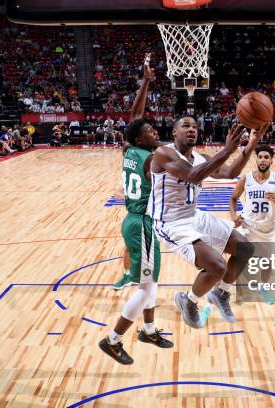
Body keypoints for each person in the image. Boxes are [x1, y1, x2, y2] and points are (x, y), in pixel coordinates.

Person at [149, 114, 267, 329]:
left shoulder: (201, 158)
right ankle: (189, 300)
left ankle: (221, 293)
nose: (192, 129)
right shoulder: (163, 153)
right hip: (170, 223)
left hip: (194, 215)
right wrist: (227, 150)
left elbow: (231, 171)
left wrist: (252, 142)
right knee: (216, 265)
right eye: (185, 126)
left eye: (195, 126)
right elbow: (193, 175)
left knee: (245, 249)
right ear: (174, 132)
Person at [99, 54, 173, 365]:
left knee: (150, 283)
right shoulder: (150, 158)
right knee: (143, 289)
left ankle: (149, 330)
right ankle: (113, 339)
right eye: (151, 131)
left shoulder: (130, 148)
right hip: (141, 224)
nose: (155, 132)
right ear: (141, 138)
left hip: (139, 222)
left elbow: (135, 116)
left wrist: (145, 82)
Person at [229, 145, 275, 304]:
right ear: (256, 159)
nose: (263, 160)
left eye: (267, 157)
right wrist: (234, 216)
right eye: (261, 157)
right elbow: (233, 199)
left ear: (271, 160)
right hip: (248, 225)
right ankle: (239, 292)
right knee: (239, 258)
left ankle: (263, 288)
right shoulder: (246, 178)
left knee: (267, 262)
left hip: (267, 228)